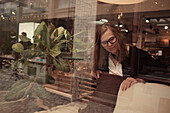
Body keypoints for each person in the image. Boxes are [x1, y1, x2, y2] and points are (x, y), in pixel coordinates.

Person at [79, 22, 144, 113]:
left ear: (118, 36)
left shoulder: (136, 54)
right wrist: (95, 70)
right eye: (105, 43)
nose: (109, 45)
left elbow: (157, 74)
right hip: (107, 104)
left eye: (112, 39)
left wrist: (139, 80)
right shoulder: (104, 57)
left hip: (128, 104)